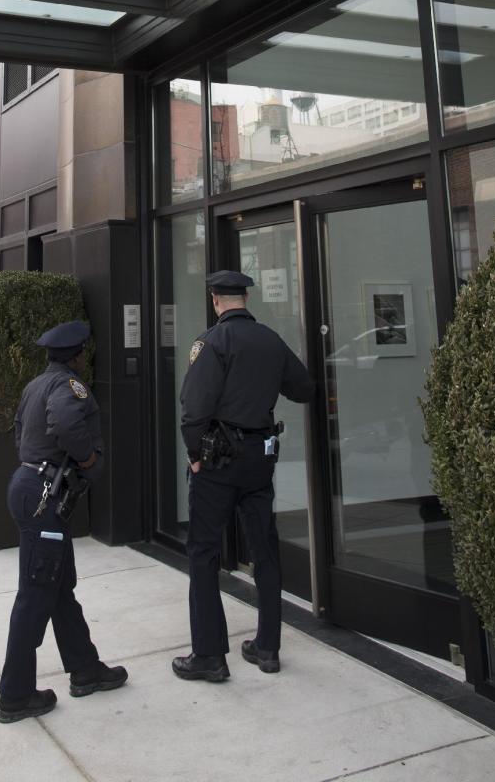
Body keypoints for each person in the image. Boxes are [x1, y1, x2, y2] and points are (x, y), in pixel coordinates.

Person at [173, 271, 314, 683]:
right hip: (259, 458)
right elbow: (304, 388)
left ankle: (209, 656)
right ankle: (267, 647)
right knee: (264, 548)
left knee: (202, 551)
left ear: (216, 299)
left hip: (218, 462)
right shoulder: (271, 339)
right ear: (246, 298)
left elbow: (194, 405)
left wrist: (195, 453)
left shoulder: (212, 342)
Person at [0, 319, 128, 724]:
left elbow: (20, 435)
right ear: (78, 355)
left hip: (29, 485)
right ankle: (15, 696)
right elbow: (67, 425)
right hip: (45, 496)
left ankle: (85, 669)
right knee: (36, 595)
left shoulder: (35, 385)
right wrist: (88, 461)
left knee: (58, 588)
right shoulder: (68, 387)